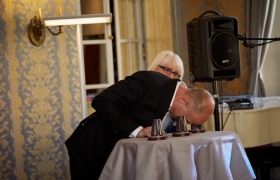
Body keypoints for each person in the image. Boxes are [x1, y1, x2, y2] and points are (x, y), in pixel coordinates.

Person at [65, 71, 215, 180]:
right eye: (187, 119)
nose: (186, 123)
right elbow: (102, 101)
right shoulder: (148, 81)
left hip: (121, 158)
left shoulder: (178, 103)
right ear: (184, 101)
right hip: (93, 148)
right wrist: (138, 131)